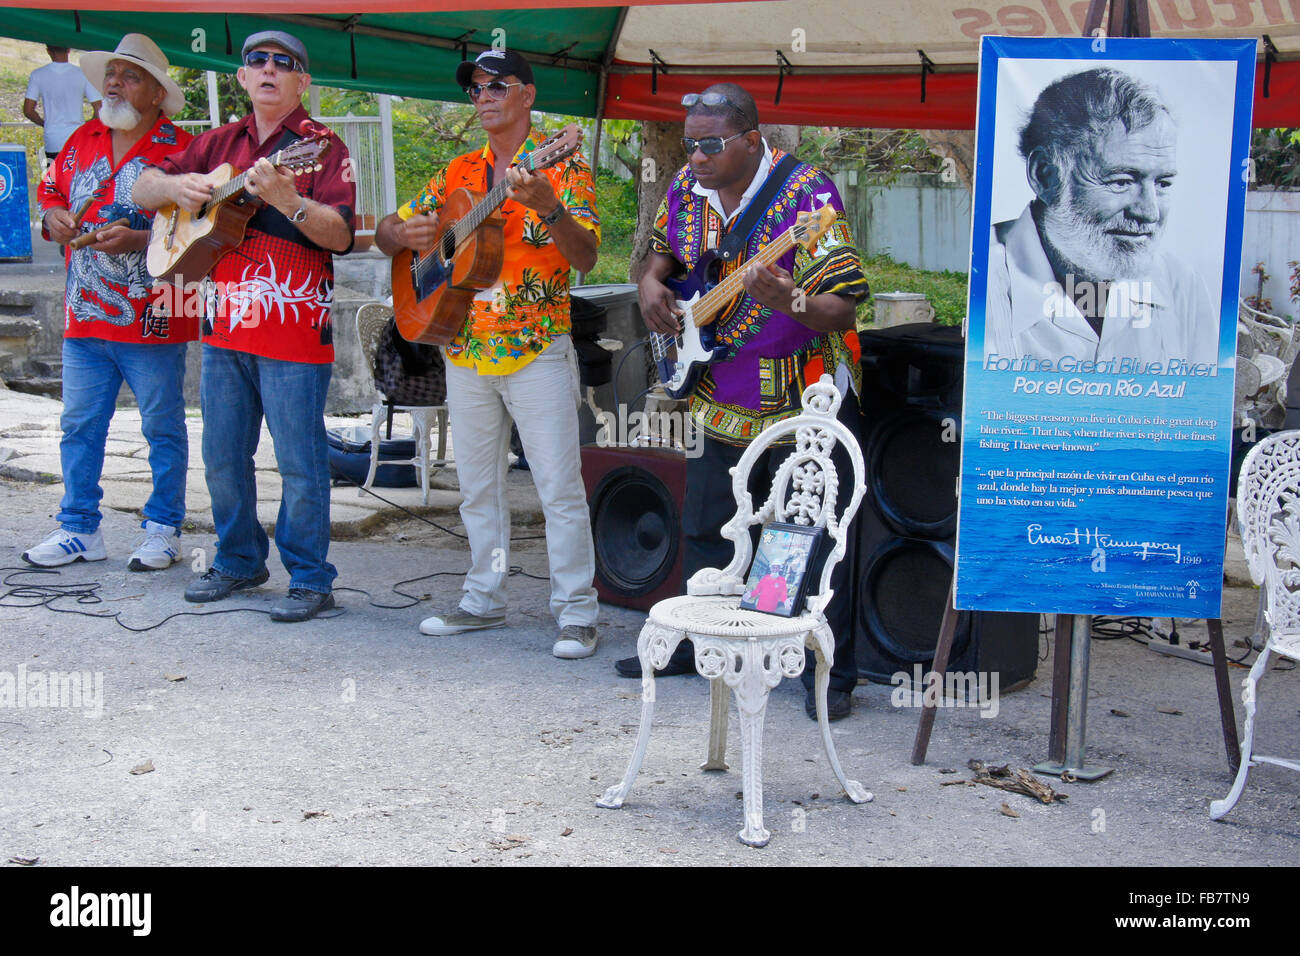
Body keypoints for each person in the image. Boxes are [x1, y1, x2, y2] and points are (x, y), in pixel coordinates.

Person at [617, 83, 870, 721]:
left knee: (808, 528)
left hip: (800, 389)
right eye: (689, 143)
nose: (696, 156)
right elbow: (662, 254)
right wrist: (651, 282)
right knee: (706, 522)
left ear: (752, 140)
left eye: (711, 144)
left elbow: (843, 303)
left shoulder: (808, 196)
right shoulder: (684, 187)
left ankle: (826, 672)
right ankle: (693, 646)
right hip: (716, 386)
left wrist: (789, 300)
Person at [375, 48, 601, 659]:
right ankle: (483, 599)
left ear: (527, 94)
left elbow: (585, 257)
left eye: (496, 87)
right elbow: (383, 234)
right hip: (463, 346)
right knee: (477, 487)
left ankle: (577, 612)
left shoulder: (565, 163)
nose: (483, 98)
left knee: (558, 487)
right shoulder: (456, 172)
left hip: (535, 347)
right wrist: (407, 234)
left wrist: (548, 205)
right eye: (475, 90)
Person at [133, 30, 355, 622]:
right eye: (257, 60)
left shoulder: (322, 147)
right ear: (242, 77)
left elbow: (343, 236)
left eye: (285, 63)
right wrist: (177, 187)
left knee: (300, 464)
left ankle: (310, 578)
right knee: (223, 456)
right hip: (224, 328)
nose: (269, 69)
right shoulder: (215, 144)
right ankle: (237, 560)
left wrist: (288, 199)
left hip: (293, 331)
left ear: (302, 81)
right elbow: (141, 186)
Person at [22, 34, 195, 572]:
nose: (113, 83)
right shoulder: (82, 138)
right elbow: (51, 189)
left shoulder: (181, 150)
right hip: (85, 313)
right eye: (111, 74)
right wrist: (52, 217)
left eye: (130, 76)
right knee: (78, 425)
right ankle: (78, 529)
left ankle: (163, 530)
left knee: (162, 426)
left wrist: (142, 241)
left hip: (155, 311)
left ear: (155, 94)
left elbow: (200, 228)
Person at [983, 68, 1218, 367]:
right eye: (1121, 181)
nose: (1149, 212)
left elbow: (1200, 407)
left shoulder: (1181, 285)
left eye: (1162, 184)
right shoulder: (986, 281)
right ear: (1046, 175)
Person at [24, 44, 100, 165]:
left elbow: (28, 111)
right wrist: (86, 127)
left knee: (55, 181)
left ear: (48, 51)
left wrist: (44, 123)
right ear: (69, 49)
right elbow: (99, 109)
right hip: (78, 138)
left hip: (53, 139)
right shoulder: (82, 74)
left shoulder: (38, 74)